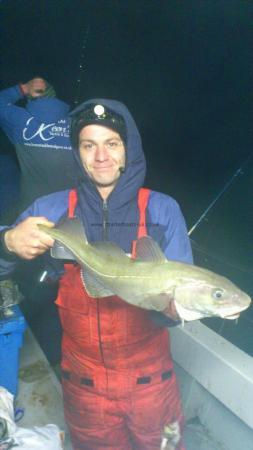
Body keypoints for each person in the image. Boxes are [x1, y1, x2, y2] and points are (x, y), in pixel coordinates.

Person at [0, 99, 193, 450]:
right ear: (77, 153)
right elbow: (4, 261)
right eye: (89, 145)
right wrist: (8, 242)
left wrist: (172, 309)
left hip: (151, 385)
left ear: (128, 151)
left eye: (112, 144)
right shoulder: (52, 208)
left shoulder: (163, 210)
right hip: (83, 386)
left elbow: (182, 296)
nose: (101, 156)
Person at [0, 77, 76, 213]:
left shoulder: (19, 121)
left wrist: (22, 89)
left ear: (30, 96)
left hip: (32, 210)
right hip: (69, 209)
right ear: (54, 96)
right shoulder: (77, 125)